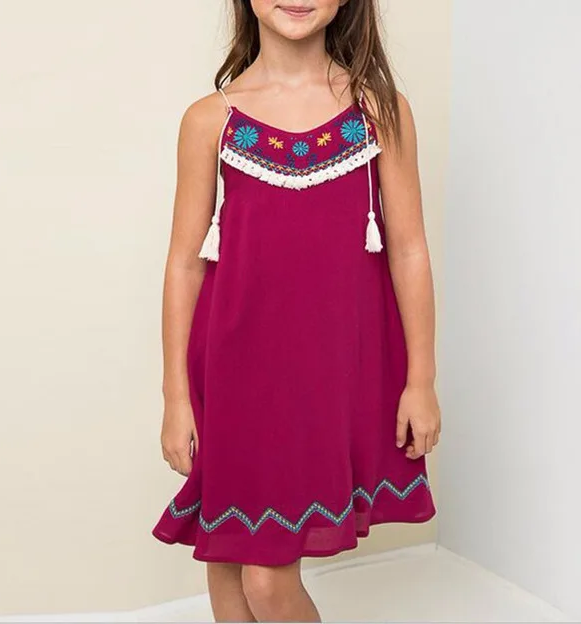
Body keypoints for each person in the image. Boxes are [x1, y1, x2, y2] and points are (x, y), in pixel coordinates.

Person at [152, 0, 441, 621]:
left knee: (265, 578)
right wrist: (176, 394)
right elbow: (184, 264)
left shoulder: (378, 112)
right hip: (233, 375)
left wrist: (421, 380)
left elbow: (409, 250)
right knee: (228, 559)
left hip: (330, 375)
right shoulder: (211, 120)